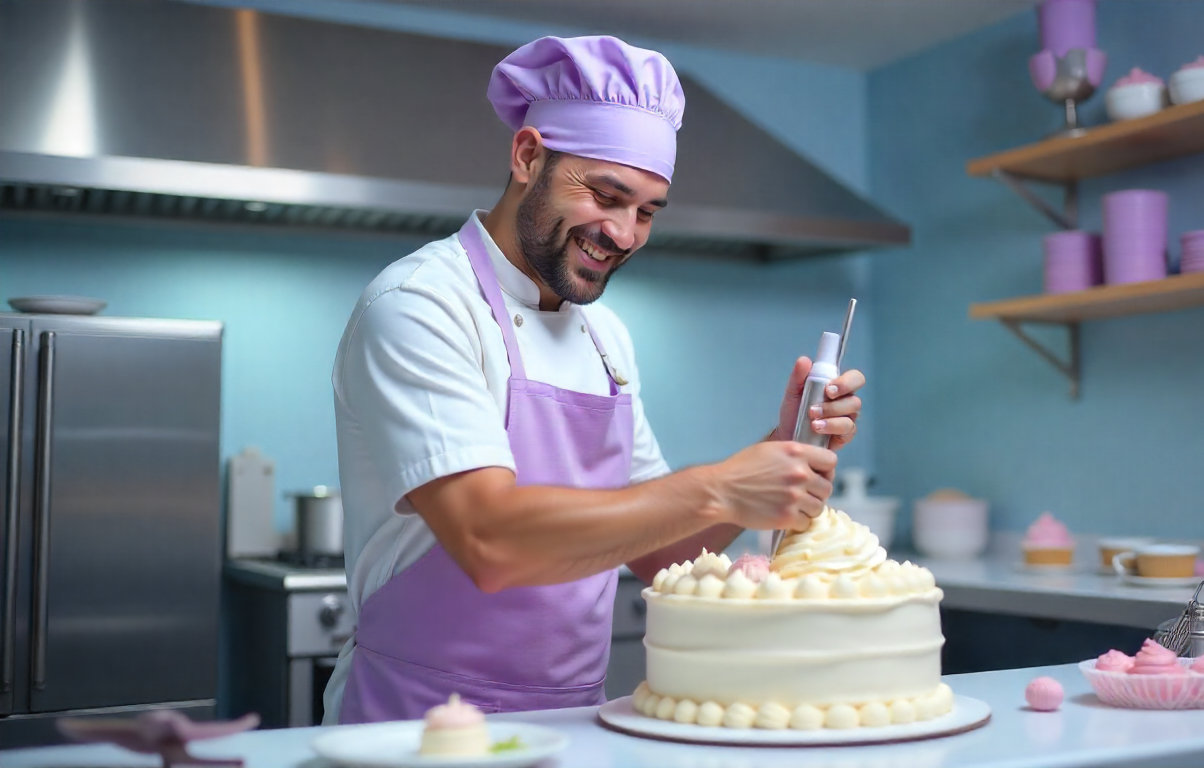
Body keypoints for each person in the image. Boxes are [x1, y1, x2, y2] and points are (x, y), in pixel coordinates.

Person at [323, 35, 866, 724]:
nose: (625, 234)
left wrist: (782, 443)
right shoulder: (422, 305)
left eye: (646, 211)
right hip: (418, 724)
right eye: (607, 196)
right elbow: (489, 541)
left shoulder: (604, 338)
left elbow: (662, 547)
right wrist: (723, 483)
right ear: (527, 157)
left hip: (572, 724)